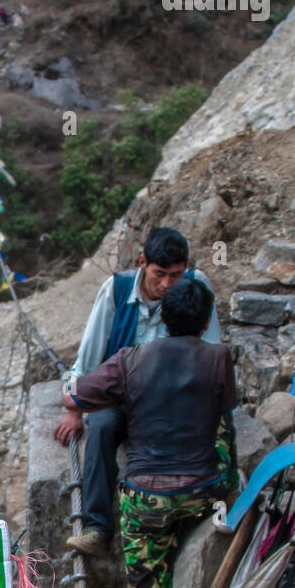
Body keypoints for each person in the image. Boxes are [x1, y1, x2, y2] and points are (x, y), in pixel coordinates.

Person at [60, 278, 238, 588]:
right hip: (204, 493)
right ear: (204, 321)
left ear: (162, 315)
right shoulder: (219, 359)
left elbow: (78, 394)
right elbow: (225, 410)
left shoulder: (132, 360)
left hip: (149, 500)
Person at [54, 227, 222, 557]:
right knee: (100, 427)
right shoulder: (116, 290)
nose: (167, 285)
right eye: (160, 274)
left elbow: (210, 351)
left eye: (176, 275)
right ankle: (98, 528)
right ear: (142, 262)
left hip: (174, 398)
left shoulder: (195, 288)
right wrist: (74, 408)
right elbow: (89, 356)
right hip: (121, 395)